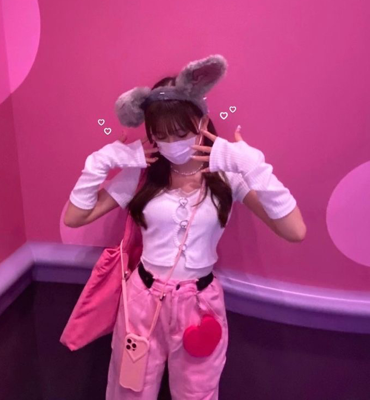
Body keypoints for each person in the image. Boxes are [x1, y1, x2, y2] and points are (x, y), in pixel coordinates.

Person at [66, 54, 298, 399]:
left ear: (201, 122)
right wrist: (100, 163)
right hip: (142, 299)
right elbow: (76, 217)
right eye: (161, 136)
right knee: (129, 391)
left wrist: (253, 167)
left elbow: (294, 230)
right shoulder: (143, 173)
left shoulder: (227, 175)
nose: (172, 143)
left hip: (199, 306)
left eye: (180, 132)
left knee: (197, 394)